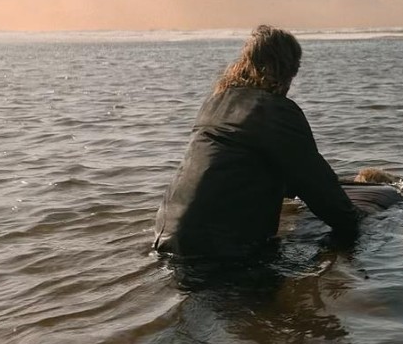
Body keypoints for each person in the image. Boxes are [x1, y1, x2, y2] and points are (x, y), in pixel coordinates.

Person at [152, 25, 366, 259]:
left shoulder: (216, 101)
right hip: (217, 249)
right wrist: (360, 222)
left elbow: (238, 169)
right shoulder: (276, 111)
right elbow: (318, 187)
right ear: (286, 70)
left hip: (166, 235)